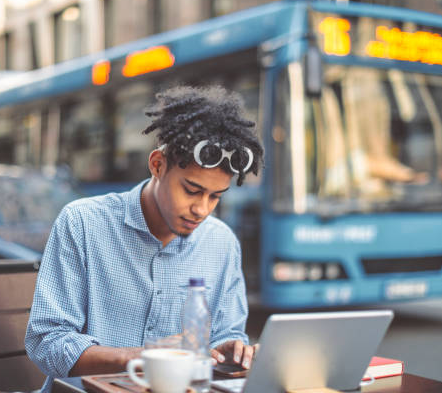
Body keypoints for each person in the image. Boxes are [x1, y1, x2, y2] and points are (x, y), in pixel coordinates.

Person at [25, 85, 264, 392]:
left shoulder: (222, 243)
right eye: (191, 190)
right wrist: (138, 358)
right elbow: (47, 342)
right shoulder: (83, 223)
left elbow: (222, 336)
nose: (202, 209)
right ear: (157, 165)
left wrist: (230, 349)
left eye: (215, 196)